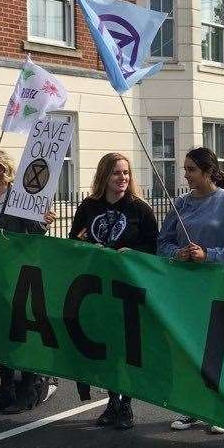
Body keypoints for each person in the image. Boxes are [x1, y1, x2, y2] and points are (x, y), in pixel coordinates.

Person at [158, 147, 224, 434]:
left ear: (209, 171)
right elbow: (162, 243)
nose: (185, 175)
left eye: (191, 170)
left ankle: (220, 411)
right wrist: (179, 254)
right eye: (185, 169)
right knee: (190, 347)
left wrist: (208, 255)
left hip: (220, 287)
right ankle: (192, 408)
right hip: (186, 290)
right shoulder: (180, 205)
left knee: (219, 349)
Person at [69, 152, 159, 429]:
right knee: (106, 348)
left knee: (127, 348)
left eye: (126, 173)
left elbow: (154, 246)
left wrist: (132, 253)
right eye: (117, 173)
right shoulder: (88, 206)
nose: (123, 178)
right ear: (104, 176)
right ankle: (112, 402)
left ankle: (127, 404)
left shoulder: (139, 209)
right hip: (97, 289)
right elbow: (74, 240)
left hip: (128, 289)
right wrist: (82, 243)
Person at [0, 148, 57, 415]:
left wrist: (43, 222)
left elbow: (31, 232)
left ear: (0, 168)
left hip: (16, 275)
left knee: (21, 332)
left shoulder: (18, 197)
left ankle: (27, 390)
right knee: (1, 335)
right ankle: (5, 389)